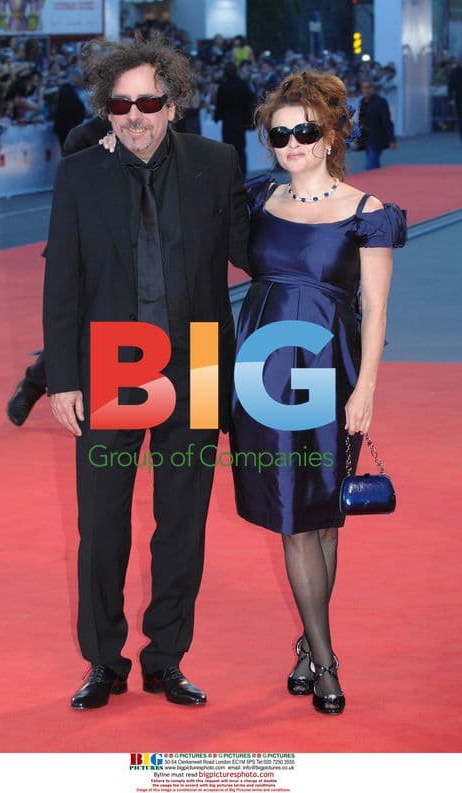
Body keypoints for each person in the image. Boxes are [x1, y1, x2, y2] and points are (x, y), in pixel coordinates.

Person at [43, 35, 249, 710]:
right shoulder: (79, 173)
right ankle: (104, 660)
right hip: (111, 366)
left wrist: (324, 214)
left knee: (182, 522)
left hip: (198, 364)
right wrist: (64, 378)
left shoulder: (217, 164)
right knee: (102, 524)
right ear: (107, 108)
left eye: (149, 101)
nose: (136, 115)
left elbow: (255, 249)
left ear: (175, 104)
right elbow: (63, 282)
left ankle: (167, 658)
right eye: (121, 103)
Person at [230, 71, 406, 714]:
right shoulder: (256, 199)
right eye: (280, 134)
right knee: (294, 521)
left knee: (325, 518)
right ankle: (324, 658)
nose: (292, 143)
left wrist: (365, 392)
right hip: (263, 376)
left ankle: (310, 646)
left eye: (305, 130)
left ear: (331, 134)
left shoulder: (368, 213)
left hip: (330, 376)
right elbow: (181, 202)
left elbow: (377, 310)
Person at [5, 116, 112, 428]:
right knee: (79, 327)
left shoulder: (162, 133)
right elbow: (73, 190)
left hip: (139, 247)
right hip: (83, 248)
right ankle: (34, 384)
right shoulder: (84, 135)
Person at [214, 61, 254, 176]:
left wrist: (217, 116)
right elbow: (249, 103)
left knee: (228, 149)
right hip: (240, 122)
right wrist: (249, 120)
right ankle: (242, 172)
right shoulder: (243, 85)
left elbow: (220, 104)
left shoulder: (223, 86)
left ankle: (231, 173)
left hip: (228, 122)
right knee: (240, 149)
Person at [357, 79, 396, 170]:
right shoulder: (362, 102)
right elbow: (361, 121)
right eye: (364, 88)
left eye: (368, 88)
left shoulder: (380, 102)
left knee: (371, 166)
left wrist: (392, 139)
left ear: (373, 88)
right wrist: (358, 137)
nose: (366, 90)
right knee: (374, 165)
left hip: (377, 139)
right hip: (366, 139)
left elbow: (387, 121)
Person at [448, 54, 462, 141]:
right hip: (459, 99)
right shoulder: (455, 71)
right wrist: (451, 99)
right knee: (461, 118)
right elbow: (450, 86)